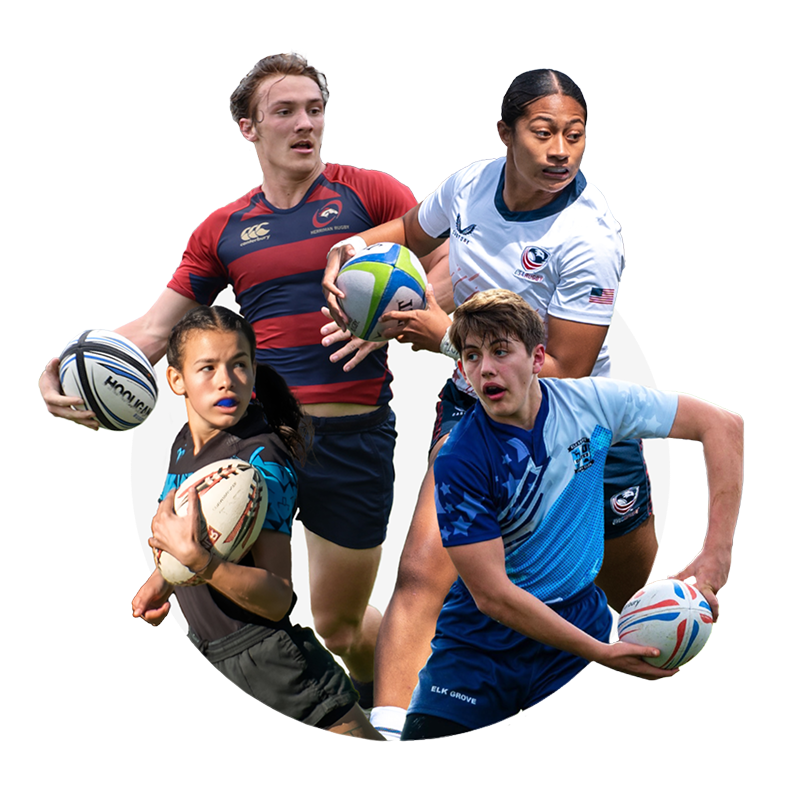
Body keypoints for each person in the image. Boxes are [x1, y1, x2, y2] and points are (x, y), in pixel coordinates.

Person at [38, 49, 444, 703]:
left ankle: (380, 698)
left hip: (352, 440)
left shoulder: (370, 195)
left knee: (340, 626)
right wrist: (65, 371)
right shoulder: (223, 229)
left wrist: (397, 314)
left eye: (314, 109)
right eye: (284, 111)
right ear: (248, 127)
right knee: (235, 603)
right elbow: (151, 330)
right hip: (258, 441)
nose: (304, 123)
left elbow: (449, 267)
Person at [322, 67, 650, 738]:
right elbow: (408, 233)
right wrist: (348, 250)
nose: (560, 151)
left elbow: (561, 370)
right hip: (473, 409)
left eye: (574, 135)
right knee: (422, 573)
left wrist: (443, 335)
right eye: (542, 133)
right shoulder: (471, 185)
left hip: (580, 422)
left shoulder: (588, 239)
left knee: (621, 595)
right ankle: (392, 730)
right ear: (504, 135)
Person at [397, 289, 743, 739]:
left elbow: (723, 424)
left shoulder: (592, 406)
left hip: (576, 633)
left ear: (537, 358)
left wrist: (716, 554)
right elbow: (493, 596)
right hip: (478, 650)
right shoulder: (460, 458)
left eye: (501, 351)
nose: (485, 369)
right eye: (471, 355)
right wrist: (601, 652)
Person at [131, 305, 385, 739]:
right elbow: (197, 536)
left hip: (273, 664)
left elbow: (277, 599)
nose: (225, 380)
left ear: (253, 371)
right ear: (177, 381)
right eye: (207, 368)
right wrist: (163, 580)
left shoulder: (258, 464)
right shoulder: (182, 445)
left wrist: (202, 566)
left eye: (238, 365)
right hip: (211, 651)